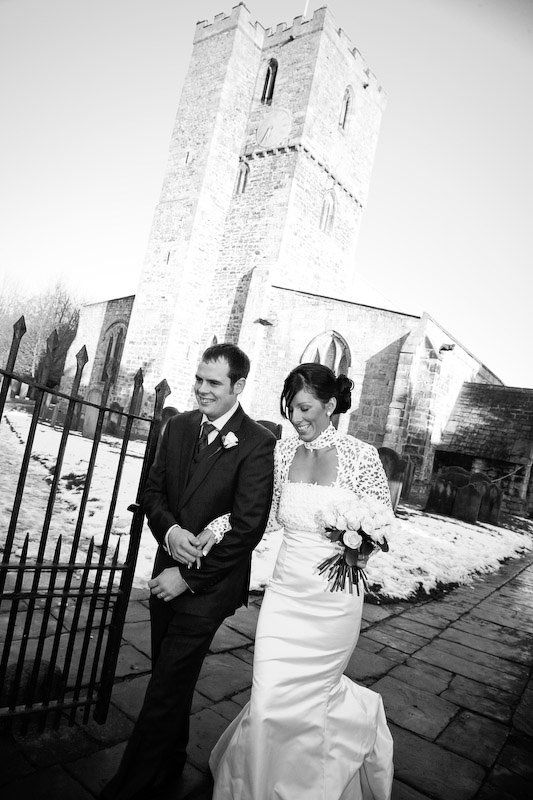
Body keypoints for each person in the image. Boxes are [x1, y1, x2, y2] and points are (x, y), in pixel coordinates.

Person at [209, 363, 394, 800]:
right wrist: (215, 531)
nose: (296, 418)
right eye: (291, 408)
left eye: (306, 407)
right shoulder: (282, 453)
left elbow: (383, 523)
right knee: (269, 694)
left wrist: (362, 545)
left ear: (331, 405)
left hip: (335, 600)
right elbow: (263, 517)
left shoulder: (360, 456)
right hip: (286, 593)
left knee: (313, 698)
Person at [100, 343, 276, 800]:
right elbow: (153, 491)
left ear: (238, 386)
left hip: (208, 588)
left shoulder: (256, 443)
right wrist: (171, 531)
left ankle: (129, 786)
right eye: (199, 379)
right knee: (168, 675)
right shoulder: (177, 427)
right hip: (166, 573)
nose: (201, 389)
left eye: (213, 383)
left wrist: (191, 577)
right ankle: (171, 762)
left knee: (163, 689)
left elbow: (248, 526)